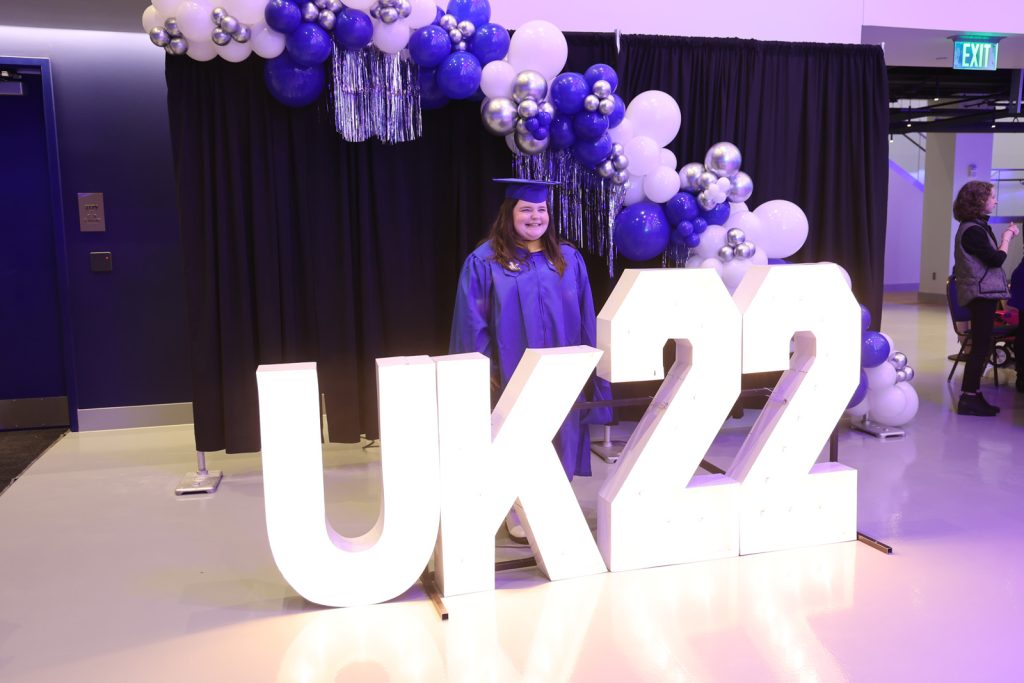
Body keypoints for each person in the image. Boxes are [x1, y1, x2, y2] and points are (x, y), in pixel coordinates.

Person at [450, 178, 613, 540]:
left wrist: (589, 362)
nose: (535, 216)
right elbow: (472, 322)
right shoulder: (485, 261)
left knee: (561, 431)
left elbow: (586, 315)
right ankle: (514, 508)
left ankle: (552, 501)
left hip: (561, 370)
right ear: (509, 214)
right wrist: (486, 369)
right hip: (511, 372)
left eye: (541, 209)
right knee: (513, 436)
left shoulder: (567, 258)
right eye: (526, 209)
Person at [951, 180, 1020, 415]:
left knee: (982, 345)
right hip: (980, 295)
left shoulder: (976, 227)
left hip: (983, 293)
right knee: (980, 347)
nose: (996, 201)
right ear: (979, 200)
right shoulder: (973, 230)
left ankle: (973, 393)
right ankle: (968, 398)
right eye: (992, 197)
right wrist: (1008, 236)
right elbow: (996, 259)